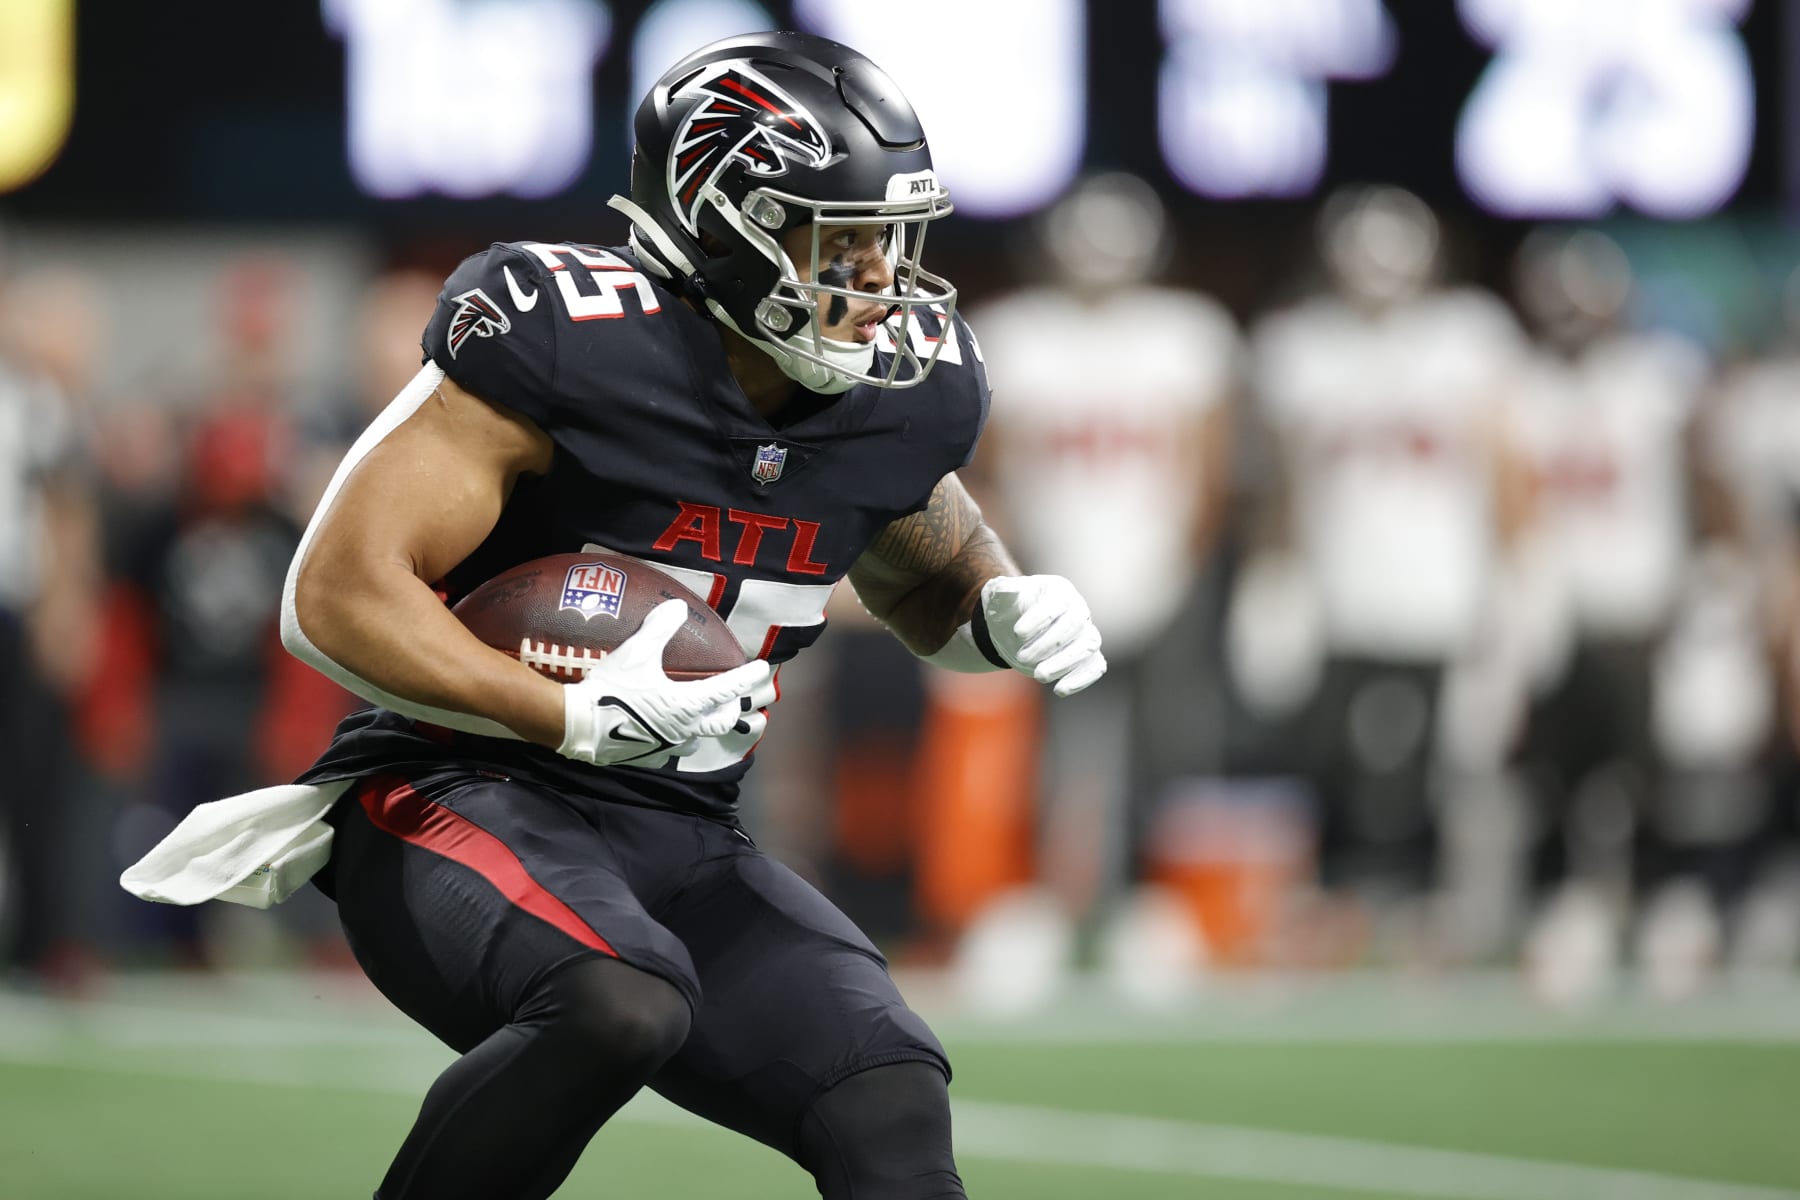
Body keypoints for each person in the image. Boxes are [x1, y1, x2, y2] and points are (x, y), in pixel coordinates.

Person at [127, 31, 1104, 1200]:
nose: (881, 286)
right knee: (616, 1002)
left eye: (893, 246)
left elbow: (921, 560)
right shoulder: (567, 335)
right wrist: (564, 712)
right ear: (717, 217)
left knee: (886, 1085)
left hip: (685, 825)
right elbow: (332, 594)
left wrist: (997, 604)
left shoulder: (902, 394)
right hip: (449, 791)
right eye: (842, 243)